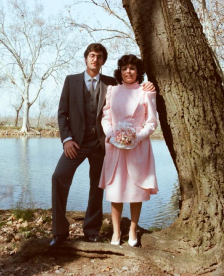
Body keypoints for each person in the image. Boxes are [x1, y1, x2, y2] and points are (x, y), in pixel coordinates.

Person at [50, 44, 154, 248]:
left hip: (101, 145)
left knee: (97, 187)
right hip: (75, 144)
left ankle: (91, 231)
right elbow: (62, 113)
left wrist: (148, 85)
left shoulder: (111, 83)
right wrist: (67, 139)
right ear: (86, 58)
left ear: (103, 61)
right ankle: (59, 232)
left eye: (99, 57)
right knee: (58, 177)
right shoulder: (71, 81)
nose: (95, 59)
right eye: (91, 55)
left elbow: (131, 86)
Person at [99, 54, 158, 247]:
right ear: (120, 72)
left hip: (138, 147)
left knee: (134, 191)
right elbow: (106, 118)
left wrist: (137, 137)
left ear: (138, 71)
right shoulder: (112, 91)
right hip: (115, 147)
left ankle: (133, 230)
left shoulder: (146, 91)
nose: (128, 72)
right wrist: (111, 134)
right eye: (124, 69)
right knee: (115, 190)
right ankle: (116, 232)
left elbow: (151, 122)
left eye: (132, 68)